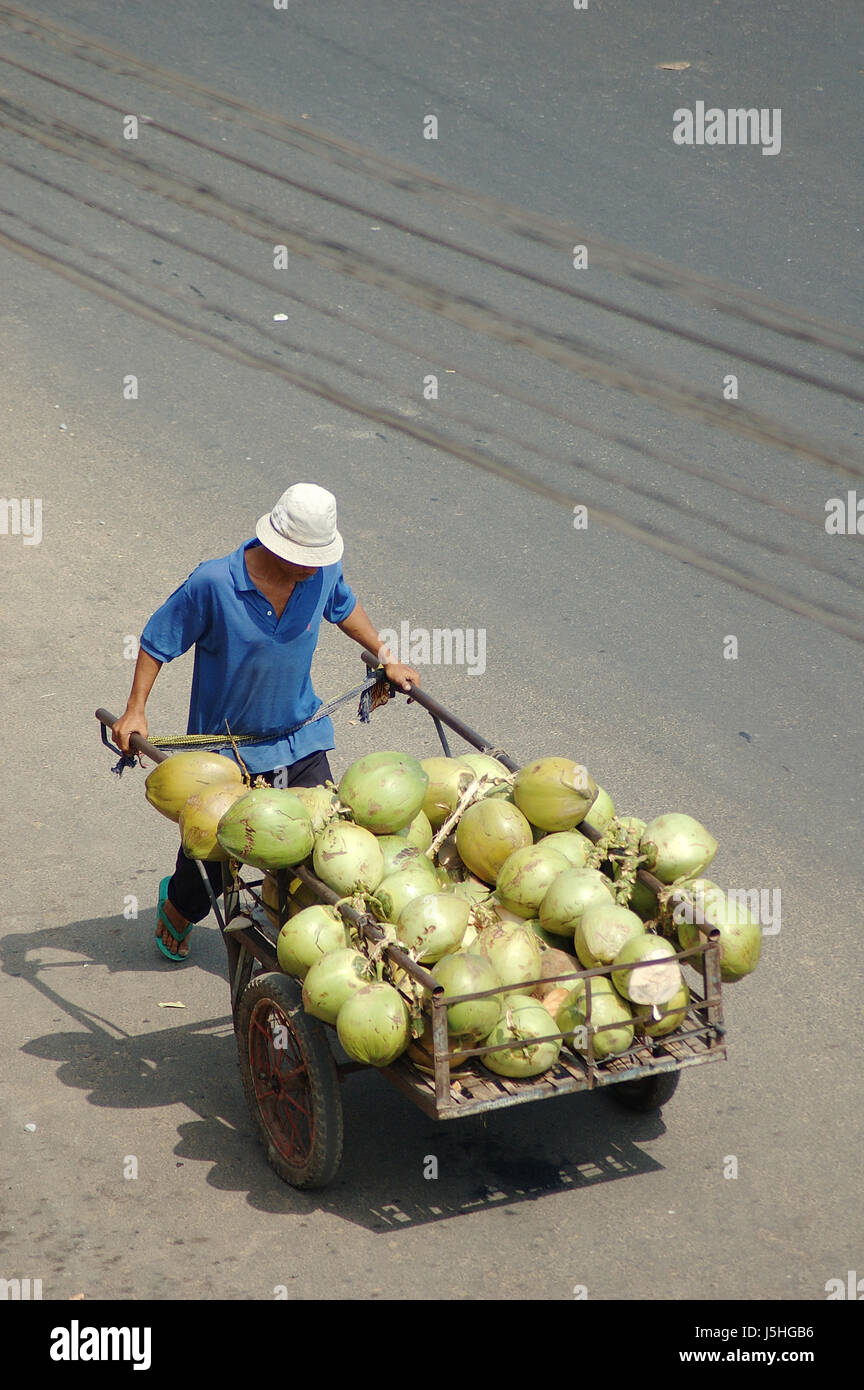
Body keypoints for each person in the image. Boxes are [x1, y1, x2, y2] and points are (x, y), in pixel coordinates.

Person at [112, 483, 419, 961]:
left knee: (324, 845)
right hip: (224, 751)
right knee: (212, 864)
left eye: (316, 560)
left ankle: (303, 941)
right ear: (275, 543)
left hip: (300, 738)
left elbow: (343, 605)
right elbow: (157, 640)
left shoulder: (320, 572)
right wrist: (135, 709)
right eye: (300, 557)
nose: (309, 569)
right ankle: (175, 908)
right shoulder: (214, 583)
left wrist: (385, 655)